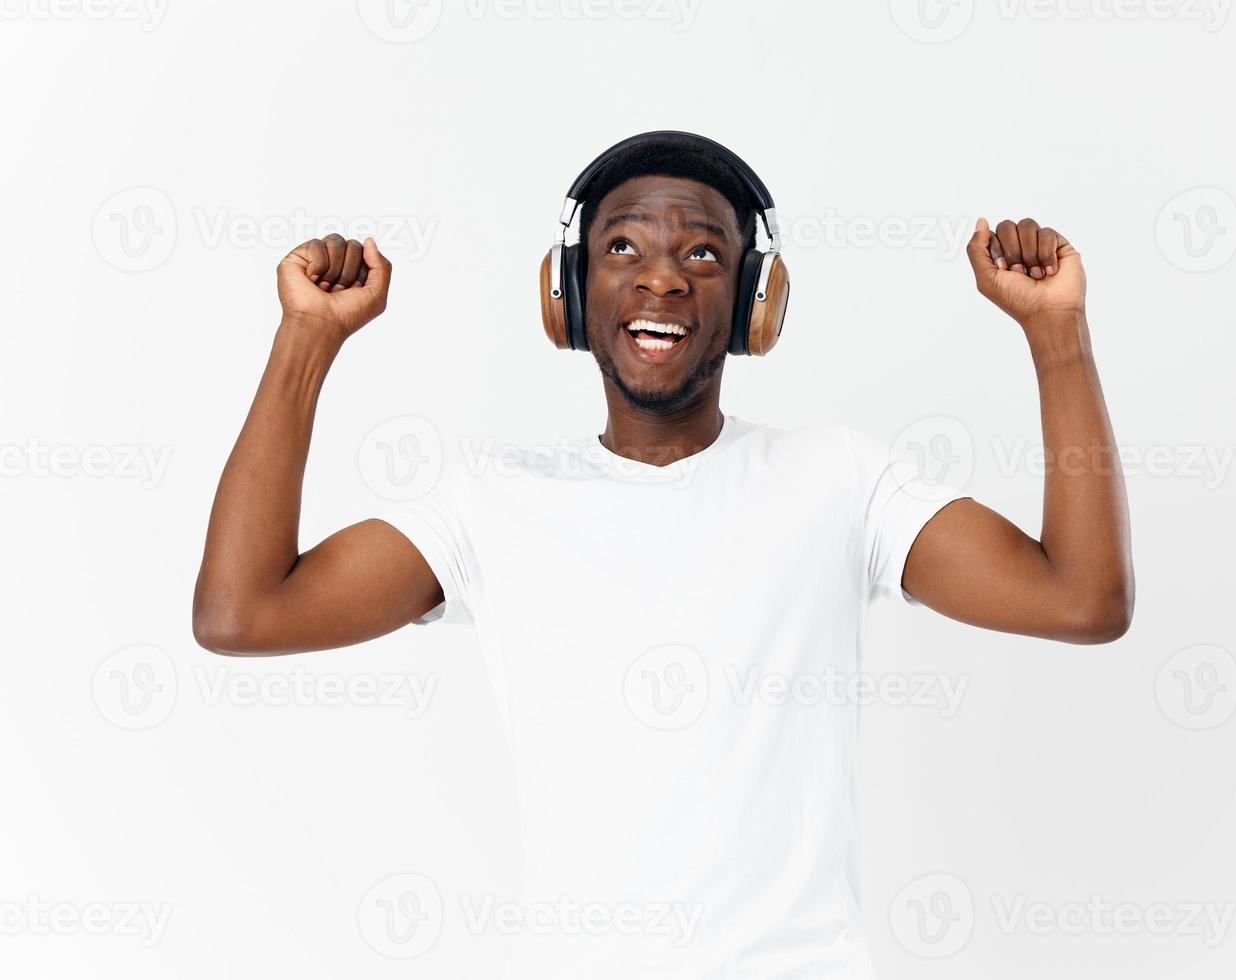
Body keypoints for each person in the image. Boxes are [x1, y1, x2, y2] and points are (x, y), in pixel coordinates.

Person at [192, 131, 1133, 979]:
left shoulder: (838, 480)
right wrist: (306, 340)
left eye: (703, 253)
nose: (663, 278)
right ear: (569, 292)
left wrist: (1058, 336)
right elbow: (243, 613)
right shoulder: (491, 502)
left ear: (754, 304)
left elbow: (1081, 600)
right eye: (622, 248)